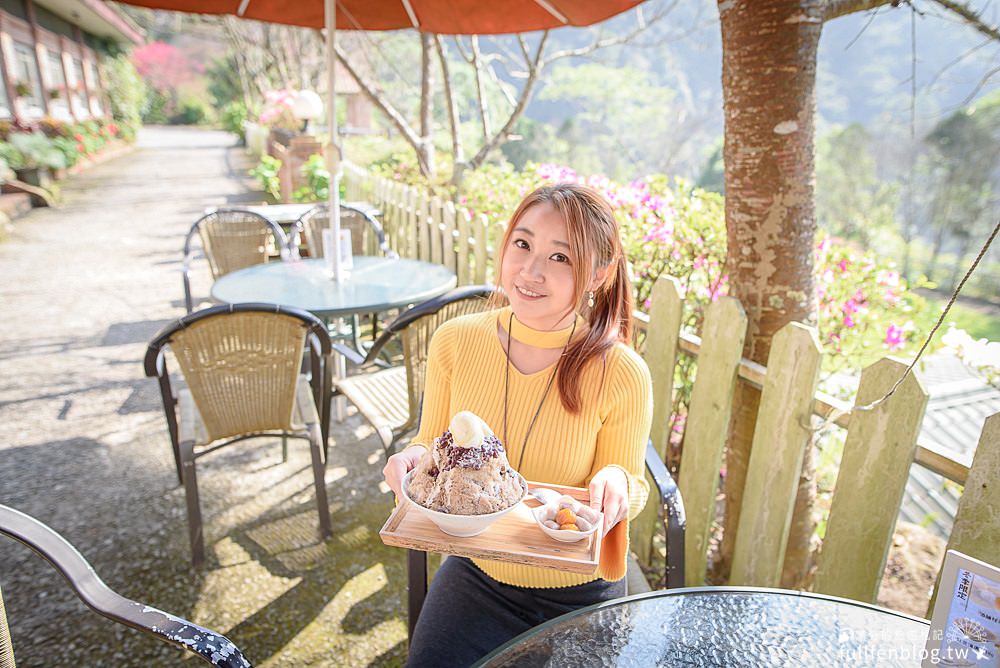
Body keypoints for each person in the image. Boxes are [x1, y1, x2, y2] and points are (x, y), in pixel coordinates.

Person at [383, 183, 653, 667]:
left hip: (580, 590)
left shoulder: (621, 371)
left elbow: (630, 480)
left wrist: (615, 483)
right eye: (523, 244)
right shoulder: (455, 341)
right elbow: (433, 444)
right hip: (479, 572)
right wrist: (413, 459)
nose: (531, 271)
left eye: (561, 258)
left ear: (599, 273)